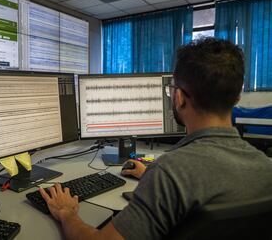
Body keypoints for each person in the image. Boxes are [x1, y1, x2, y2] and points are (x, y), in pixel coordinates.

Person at [39, 38, 272, 240]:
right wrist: (151, 176)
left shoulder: (170, 173)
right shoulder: (265, 166)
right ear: (238, 96)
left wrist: (68, 215)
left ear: (179, 97)